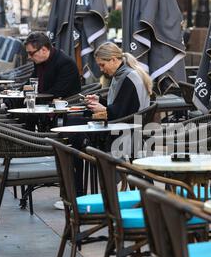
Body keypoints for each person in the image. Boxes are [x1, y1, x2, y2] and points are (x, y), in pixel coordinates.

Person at [0, 32, 82, 173]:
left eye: (31, 53)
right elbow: (31, 83)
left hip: (58, 112)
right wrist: (16, 92)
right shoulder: (40, 61)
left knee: (13, 122)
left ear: (44, 50)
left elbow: (56, 92)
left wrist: (26, 96)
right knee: (7, 114)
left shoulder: (65, 63)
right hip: (38, 108)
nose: (29, 57)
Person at [64, 42, 152, 206]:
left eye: (102, 65)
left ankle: (78, 194)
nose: (102, 69)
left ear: (113, 60)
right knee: (72, 127)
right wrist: (100, 101)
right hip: (123, 128)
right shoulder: (123, 74)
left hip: (125, 133)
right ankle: (79, 192)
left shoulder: (128, 78)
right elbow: (121, 106)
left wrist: (103, 108)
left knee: (73, 133)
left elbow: (122, 113)